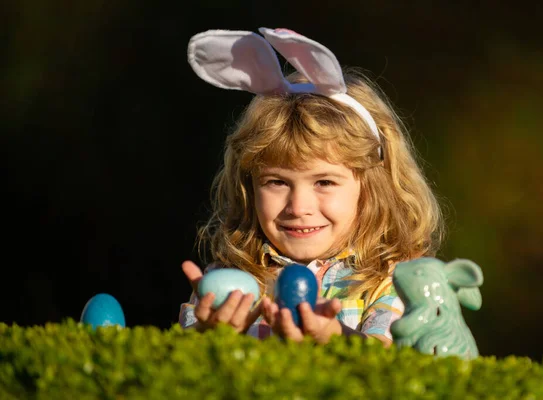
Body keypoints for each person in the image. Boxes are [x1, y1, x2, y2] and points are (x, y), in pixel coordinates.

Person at [179, 27, 444, 346]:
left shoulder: (395, 279)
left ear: (372, 187)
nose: (298, 207)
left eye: (324, 182)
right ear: (249, 186)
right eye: (276, 181)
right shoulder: (231, 280)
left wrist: (334, 338)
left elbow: (396, 367)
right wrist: (206, 336)